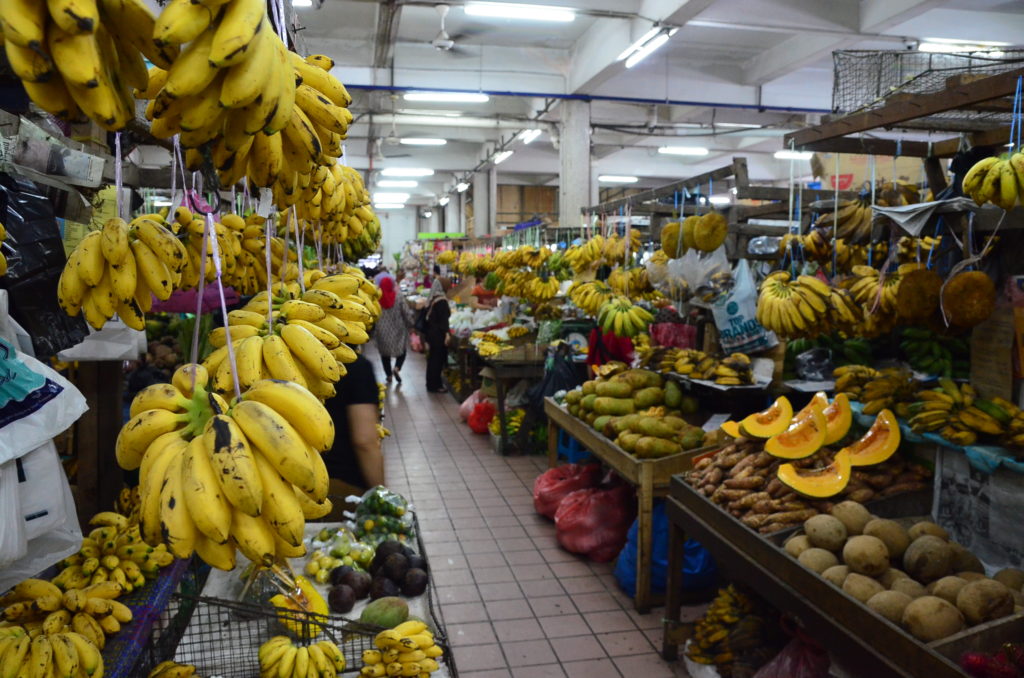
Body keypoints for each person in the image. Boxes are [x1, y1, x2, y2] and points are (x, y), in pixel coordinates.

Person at [322, 352, 384, 500]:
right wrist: (380, 494)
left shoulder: (276, 362)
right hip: (341, 485)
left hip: (285, 486)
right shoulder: (356, 366)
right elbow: (364, 441)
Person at [374, 276, 414, 384]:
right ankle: (397, 368)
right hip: (398, 329)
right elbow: (406, 312)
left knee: (384, 354)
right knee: (402, 350)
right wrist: (411, 324)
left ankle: (389, 375)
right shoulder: (399, 297)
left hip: (381, 330)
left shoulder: (376, 299)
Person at [424, 276, 451, 393]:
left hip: (431, 333)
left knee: (432, 359)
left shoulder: (433, 298)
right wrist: (447, 334)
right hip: (438, 334)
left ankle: (430, 383)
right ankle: (436, 385)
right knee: (437, 360)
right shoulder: (442, 301)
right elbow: (443, 320)